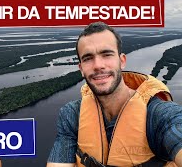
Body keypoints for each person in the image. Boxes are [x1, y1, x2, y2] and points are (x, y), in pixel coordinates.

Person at [47, 22, 182, 167]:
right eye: (88, 58)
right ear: (81, 68)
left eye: (107, 54)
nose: (98, 65)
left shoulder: (159, 114)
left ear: (122, 61)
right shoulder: (71, 115)